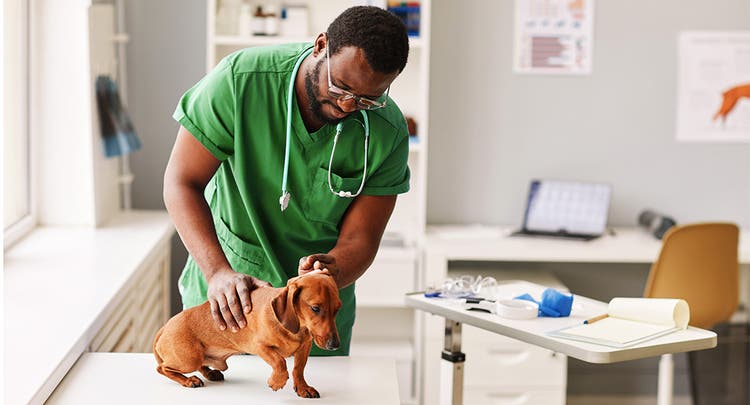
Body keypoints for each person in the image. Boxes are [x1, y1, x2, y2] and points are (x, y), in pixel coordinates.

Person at [163, 6, 411, 356]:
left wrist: (331, 271)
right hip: (231, 301)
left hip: (316, 314)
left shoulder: (387, 131)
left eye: (367, 99)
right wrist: (217, 271)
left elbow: (362, 237)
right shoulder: (241, 81)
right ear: (321, 46)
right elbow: (181, 181)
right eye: (340, 86)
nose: (347, 105)